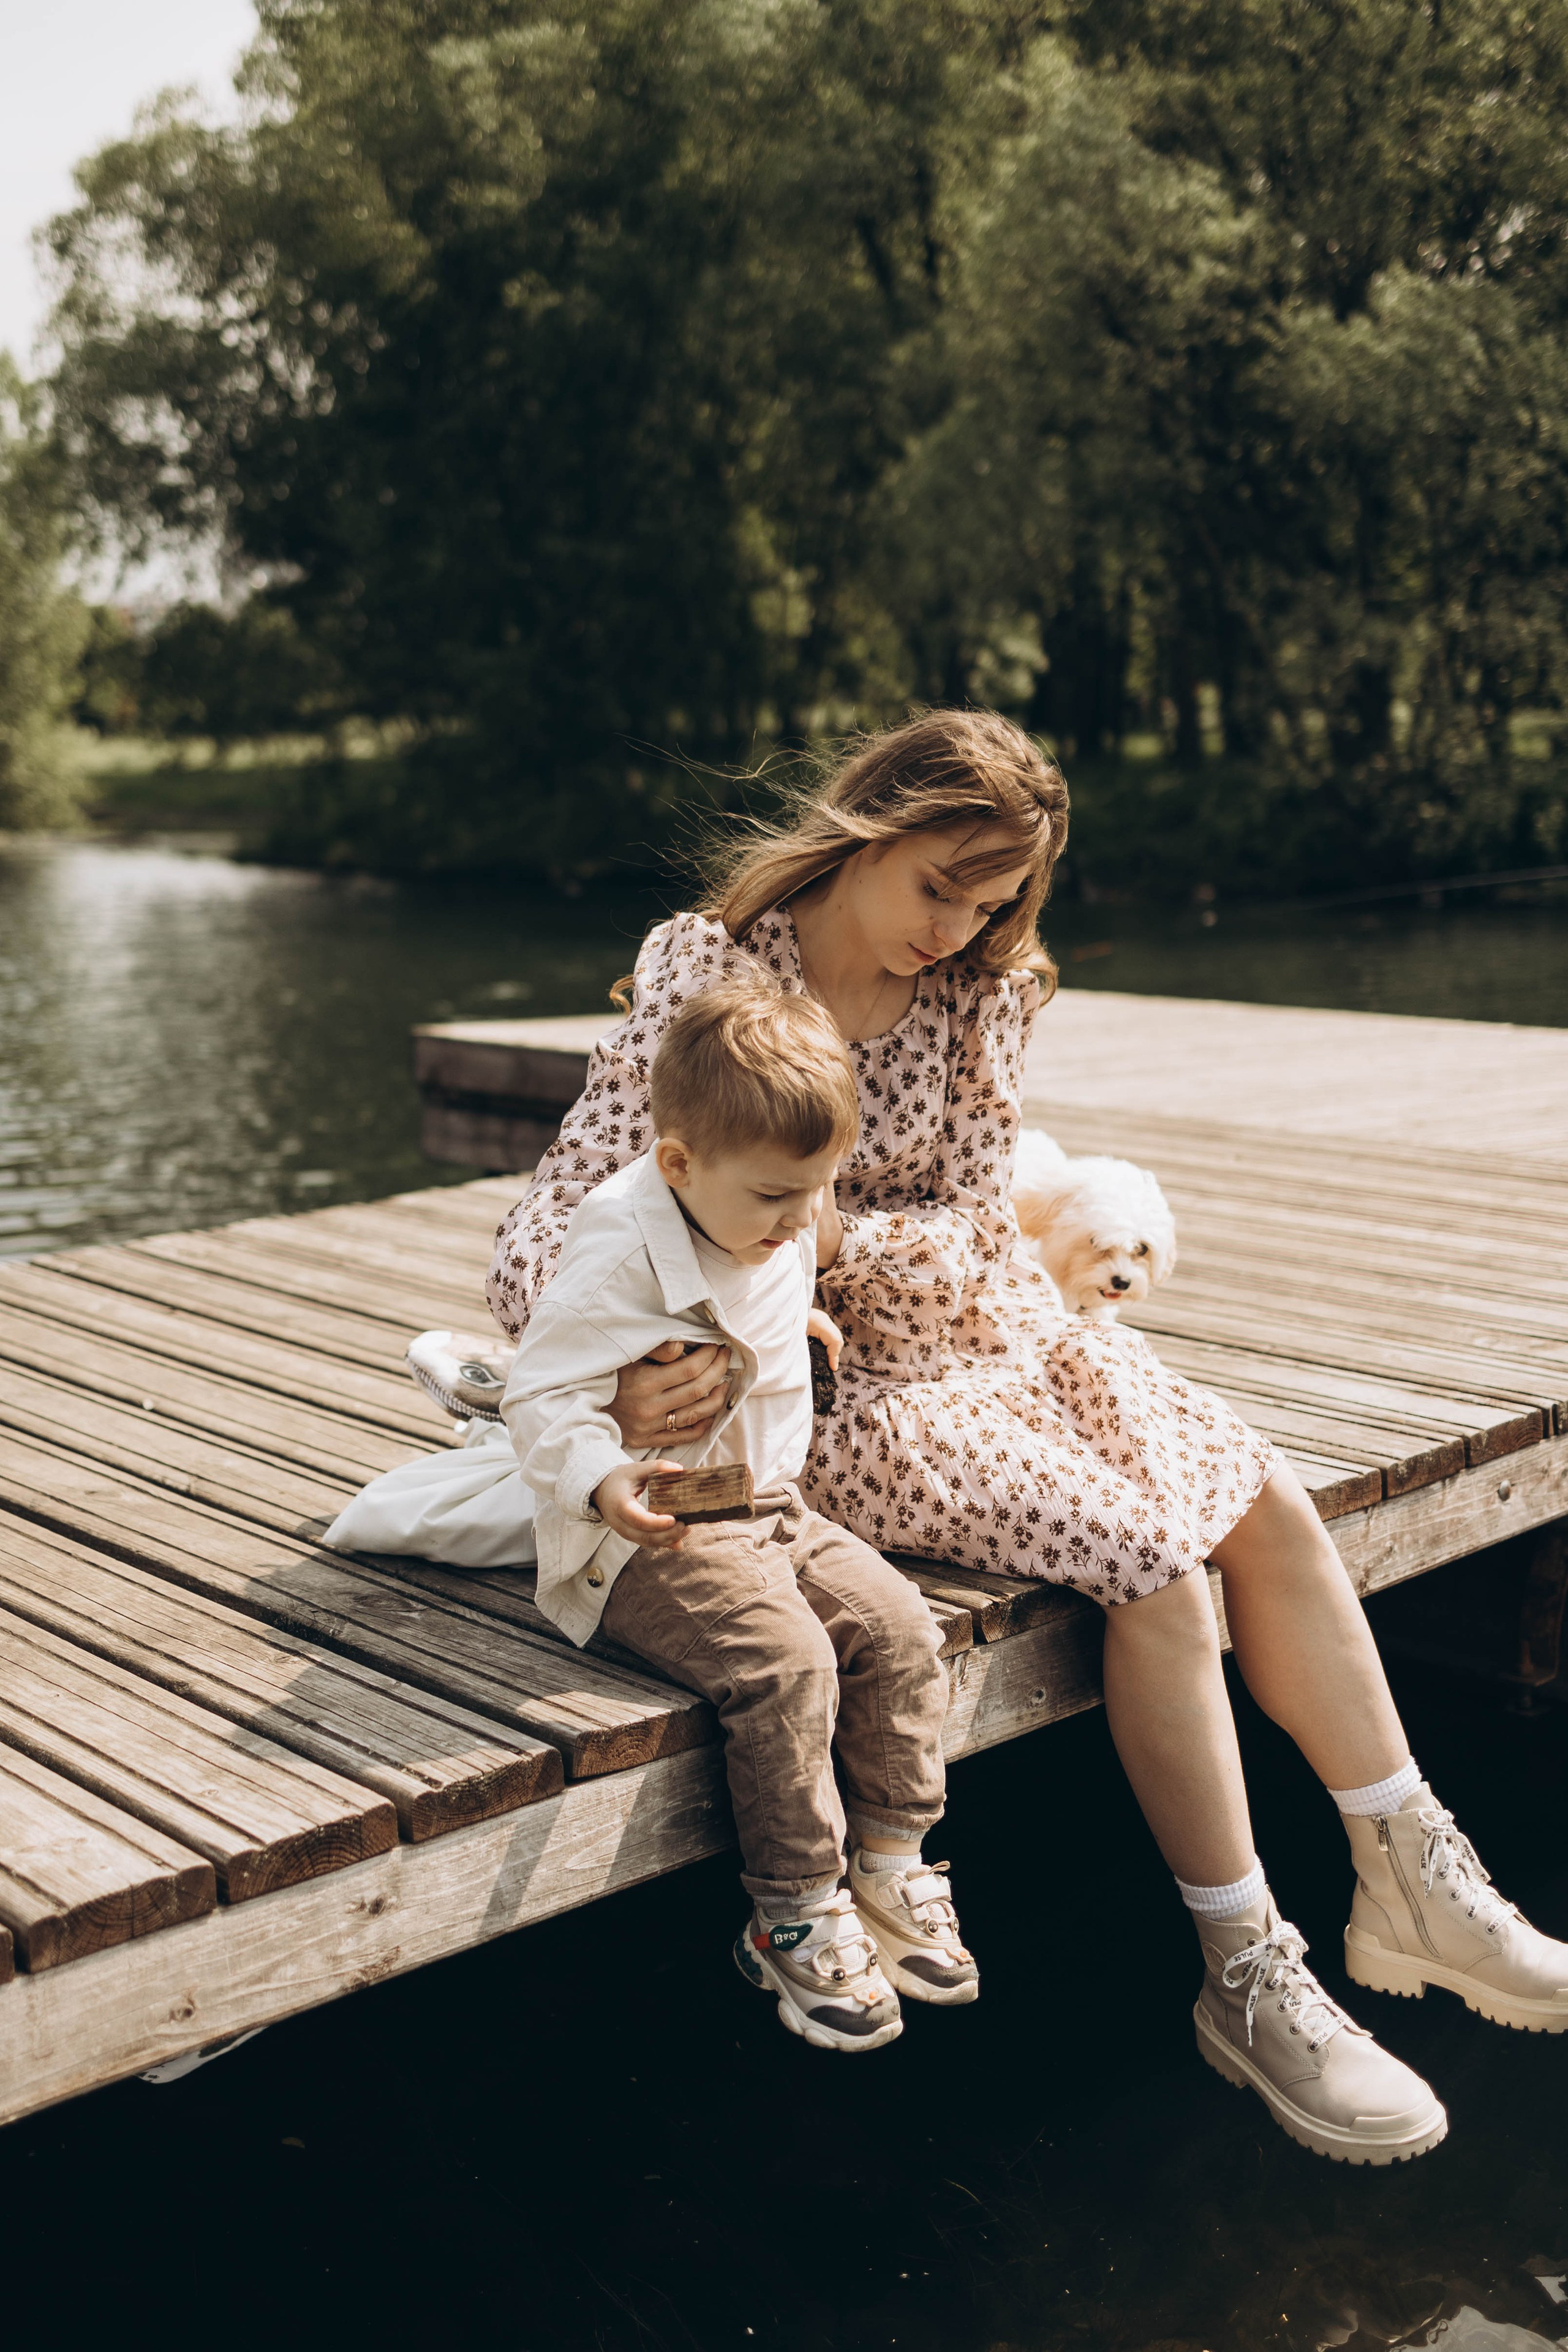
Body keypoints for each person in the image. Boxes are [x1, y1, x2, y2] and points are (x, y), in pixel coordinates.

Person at [488, 706, 1568, 2162]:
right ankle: (1246, 1975)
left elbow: (986, 1207)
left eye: (990, 902)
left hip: (1006, 1332)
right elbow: (564, 1213)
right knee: (1155, 1565)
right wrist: (627, 1371)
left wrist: (945, 1258)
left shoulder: (988, 991)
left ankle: (1412, 1875)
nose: (957, 927)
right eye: (938, 884)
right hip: (854, 1393)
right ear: (867, 825)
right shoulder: (720, 972)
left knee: (1261, 1502)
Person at [500, 978, 979, 2054]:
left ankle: (894, 1861)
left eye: (816, 1195)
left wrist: (788, 1310)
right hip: (653, 1526)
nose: (802, 1220)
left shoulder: (771, 1209)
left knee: (904, 1629)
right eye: (777, 1199)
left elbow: (771, 1245)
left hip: (765, 1502)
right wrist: (603, 1482)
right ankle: (794, 1911)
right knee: (790, 1660)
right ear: (677, 1165)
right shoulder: (620, 1246)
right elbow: (540, 1392)